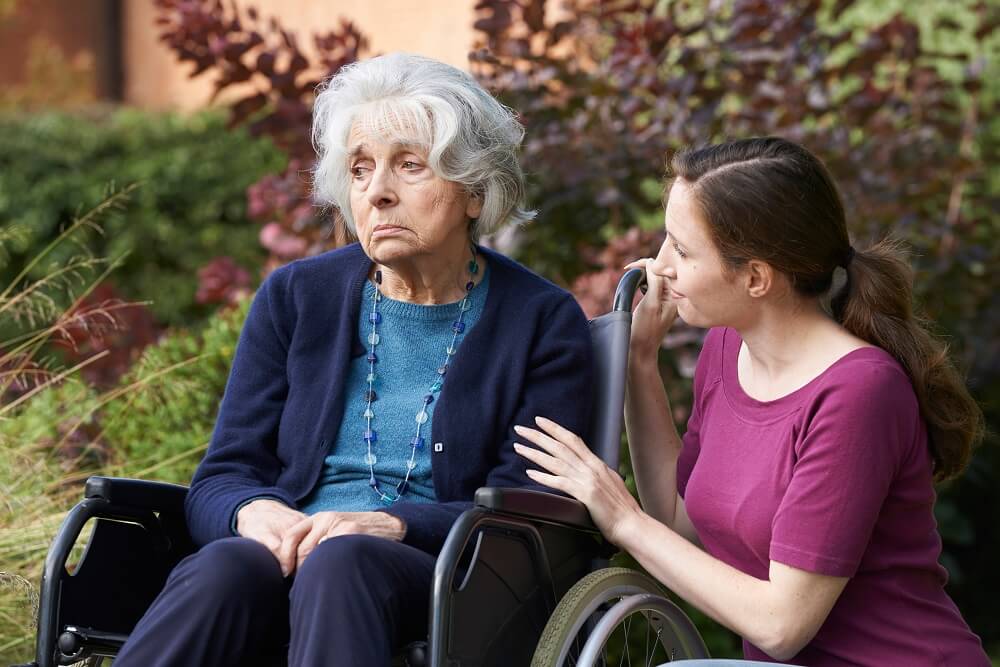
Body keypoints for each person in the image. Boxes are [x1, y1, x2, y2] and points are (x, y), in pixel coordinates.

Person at [113, 52, 594, 667]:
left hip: (449, 579)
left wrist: (398, 526)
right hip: (287, 554)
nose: (378, 192)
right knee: (228, 563)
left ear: (473, 191)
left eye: (409, 166)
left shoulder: (541, 320)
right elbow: (221, 476)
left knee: (343, 561)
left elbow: (528, 506)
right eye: (361, 170)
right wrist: (250, 510)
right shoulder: (295, 297)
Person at [514, 137, 988, 666]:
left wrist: (622, 519)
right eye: (666, 240)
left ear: (756, 277)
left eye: (685, 251)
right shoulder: (725, 349)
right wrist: (640, 362)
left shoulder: (858, 394)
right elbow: (676, 519)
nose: (660, 266)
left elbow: (780, 626)